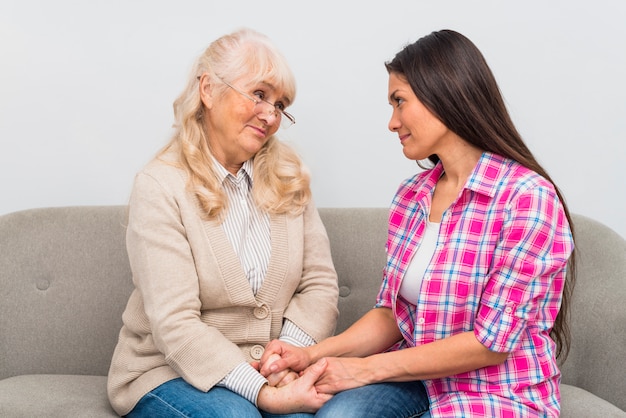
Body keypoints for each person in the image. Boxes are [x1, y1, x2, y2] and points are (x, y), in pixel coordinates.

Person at [260, 29, 576, 417]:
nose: (392, 123)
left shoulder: (527, 198)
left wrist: (362, 371)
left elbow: (491, 343)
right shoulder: (411, 196)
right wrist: (309, 355)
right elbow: (394, 314)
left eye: (399, 102)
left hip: (498, 390)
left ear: (443, 95)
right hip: (415, 381)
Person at [107, 28, 339, 417]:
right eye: (260, 94)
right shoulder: (160, 185)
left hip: (272, 370)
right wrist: (262, 391)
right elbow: (175, 323)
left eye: (281, 104)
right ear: (209, 90)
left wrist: (282, 360)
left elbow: (320, 285)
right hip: (167, 372)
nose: (270, 114)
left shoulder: (290, 179)